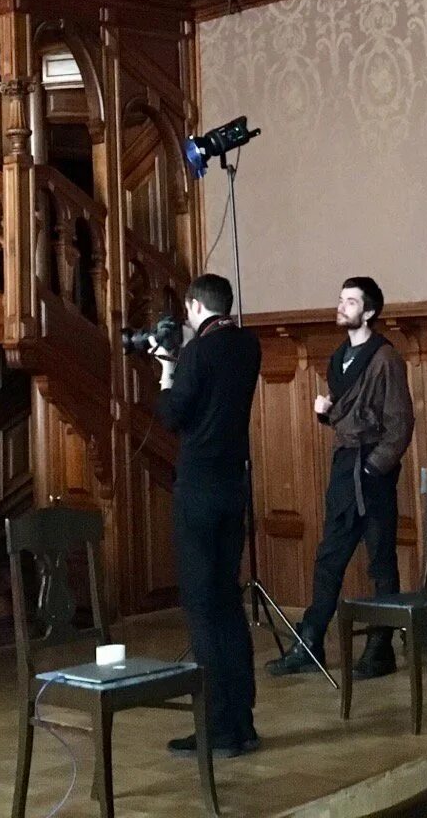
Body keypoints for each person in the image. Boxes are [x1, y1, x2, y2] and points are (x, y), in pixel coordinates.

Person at [267, 276, 413, 679]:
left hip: (372, 471)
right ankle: (310, 642)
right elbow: (348, 417)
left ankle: (380, 648)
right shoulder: (339, 358)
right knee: (329, 556)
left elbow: (399, 425)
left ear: (369, 311)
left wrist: (372, 468)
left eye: (351, 301)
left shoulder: (385, 358)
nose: (341, 306)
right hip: (344, 468)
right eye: (341, 299)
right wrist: (326, 413)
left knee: (381, 559)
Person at [156, 272, 263, 758]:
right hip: (233, 487)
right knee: (228, 603)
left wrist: (166, 370)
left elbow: (173, 414)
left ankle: (218, 728)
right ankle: (242, 722)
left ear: (196, 307)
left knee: (202, 607)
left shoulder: (197, 352)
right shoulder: (248, 346)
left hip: (198, 488)